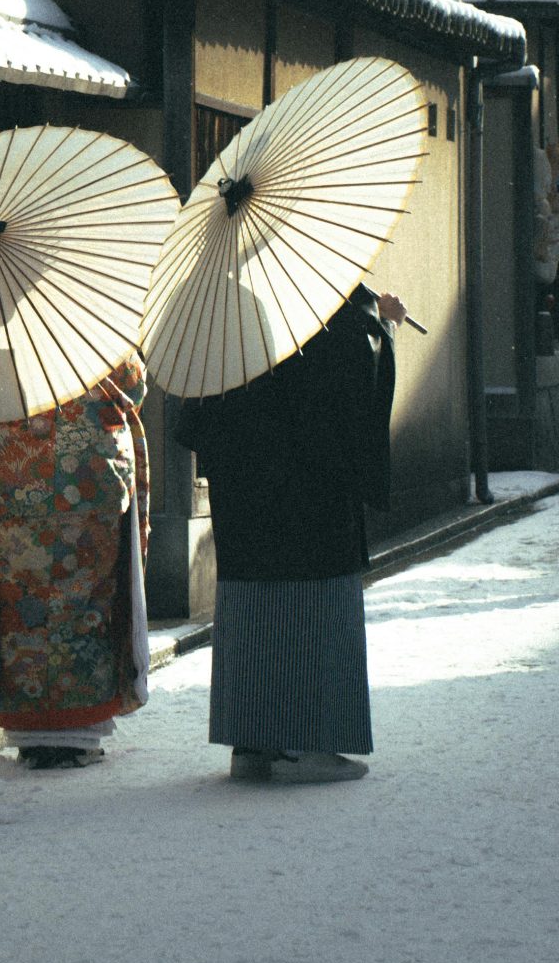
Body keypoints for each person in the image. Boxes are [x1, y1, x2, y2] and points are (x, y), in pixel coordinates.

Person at [174, 283, 405, 784]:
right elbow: (354, 397)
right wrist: (384, 329)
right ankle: (308, 744)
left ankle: (251, 745)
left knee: (252, 612)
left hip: (244, 493)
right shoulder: (320, 299)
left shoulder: (221, 309)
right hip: (312, 492)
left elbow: (190, 418)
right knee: (312, 608)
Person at [0, 351, 150, 768]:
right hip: (89, 481)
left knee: (21, 600)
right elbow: (132, 384)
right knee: (86, 600)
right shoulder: (96, 329)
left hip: (17, 479)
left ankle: (31, 728)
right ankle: (81, 731)